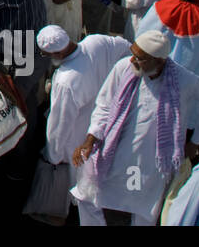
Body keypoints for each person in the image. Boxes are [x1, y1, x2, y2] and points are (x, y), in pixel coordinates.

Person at [71, 30, 199, 226]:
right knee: (87, 195)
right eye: (133, 54)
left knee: (143, 211)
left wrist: (196, 141)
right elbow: (104, 105)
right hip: (114, 152)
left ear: (159, 61)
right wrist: (91, 138)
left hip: (151, 163)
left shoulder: (184, 80)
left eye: (140, 58)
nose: (133, 60)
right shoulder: (123, 68)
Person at [37, 25, 132, 226]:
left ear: (57, 52)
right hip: (110, 125)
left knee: (84, 192)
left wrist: (53, 156)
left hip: (79, 140)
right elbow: (128, 48)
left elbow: (59, 125)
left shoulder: (66, 80)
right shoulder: (96, 41)